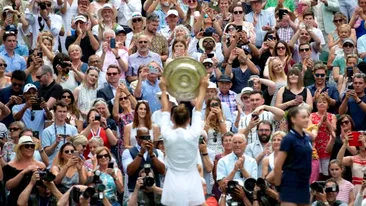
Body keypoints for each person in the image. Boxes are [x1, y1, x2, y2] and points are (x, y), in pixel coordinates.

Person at [158, 73, 208, 205]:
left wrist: (164, 89)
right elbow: (198, 107)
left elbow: (164, 108)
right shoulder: (194, 133)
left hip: (172, 184)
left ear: (172, 119)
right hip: (192, 183)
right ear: (188, 120)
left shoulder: (167, 133)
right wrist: (203, 86)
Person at [274, 106, 312, 206]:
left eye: (307, 117)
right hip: (290, 184)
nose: (307, 119)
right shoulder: (288, 139)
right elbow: (278, 166)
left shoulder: (307, 138)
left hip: (304, 184)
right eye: (303, 117)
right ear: (293, 119)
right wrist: (278, 188)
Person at [3, 136, 46, 205]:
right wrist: (23, 172)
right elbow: (8, 186)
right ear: (20, 148)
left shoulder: (41, 165)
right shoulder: (10, 165)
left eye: (32, 146)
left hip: (35, 200)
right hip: (15, 200)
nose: (30, 148)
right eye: (27, 146)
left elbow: (45, 190)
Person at [42, 101, 78, 167]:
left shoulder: (73, 129)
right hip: (52, 166)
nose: (62, 114)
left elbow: (77, 150)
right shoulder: (47, 131)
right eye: (60, 111)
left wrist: (72, 141)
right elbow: (46, 153)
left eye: (64, 112)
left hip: (70, 166)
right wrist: (56, 143)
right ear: (54, 112)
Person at [337, 129, 366, 196]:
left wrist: (364, 144)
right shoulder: (353, 159)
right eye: (360, 141)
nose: (362, 143)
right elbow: (338, 161)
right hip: (356, 191)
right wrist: (345, 143)